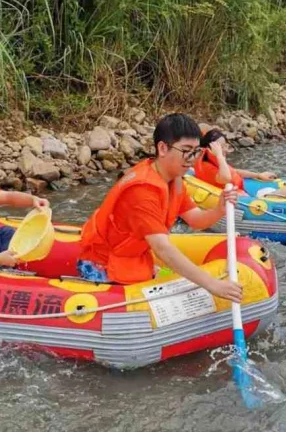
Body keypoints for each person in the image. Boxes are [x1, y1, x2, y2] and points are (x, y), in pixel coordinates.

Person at [78, 114, 243, 302]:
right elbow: (162, 248)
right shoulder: (142, 190)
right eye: (186, 150)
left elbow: (195, 219)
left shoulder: (175, 179)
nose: (191, 159)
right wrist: (213, 284)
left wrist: (219, 210)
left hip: (135, 258)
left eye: (196, 152)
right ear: (163, 148)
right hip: (105, 264)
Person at [193, 128, 286, 199]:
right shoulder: (206, 167)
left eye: (225, 146)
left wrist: (258, 175)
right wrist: (220, 156)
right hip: (243, 202)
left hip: (243, 195)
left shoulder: (215, 162)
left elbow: (235, 172)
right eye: (221, 147)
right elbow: (226, 178)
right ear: (211, 149)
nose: (225, 149)